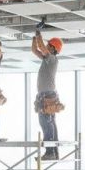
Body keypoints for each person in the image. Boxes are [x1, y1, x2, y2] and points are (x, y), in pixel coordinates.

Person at [31, 23, 63, 160]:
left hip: (47, 95)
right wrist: (34, 37)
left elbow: (41, 48)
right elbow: (35, 49)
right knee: (50, 123)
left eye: (49, 45)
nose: (46, 46)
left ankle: (50, 152)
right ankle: (54, 152)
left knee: (46, 123)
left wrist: (38, 33)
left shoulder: (51, 59)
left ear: (53, 48)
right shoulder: (47, 60)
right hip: (47, 95)